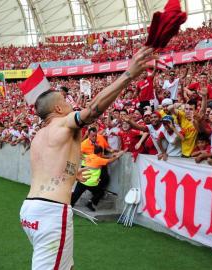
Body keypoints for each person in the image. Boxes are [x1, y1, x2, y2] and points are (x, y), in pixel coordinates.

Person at [19, 47, 155, 270]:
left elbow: (49, 170)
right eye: (66, 99)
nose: (71, 103)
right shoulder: (63, 122)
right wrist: (129, 74)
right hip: (51, 213)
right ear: (58, 107)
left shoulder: (39, 136)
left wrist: (72, 174)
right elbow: (92, 111)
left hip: (30, 211)